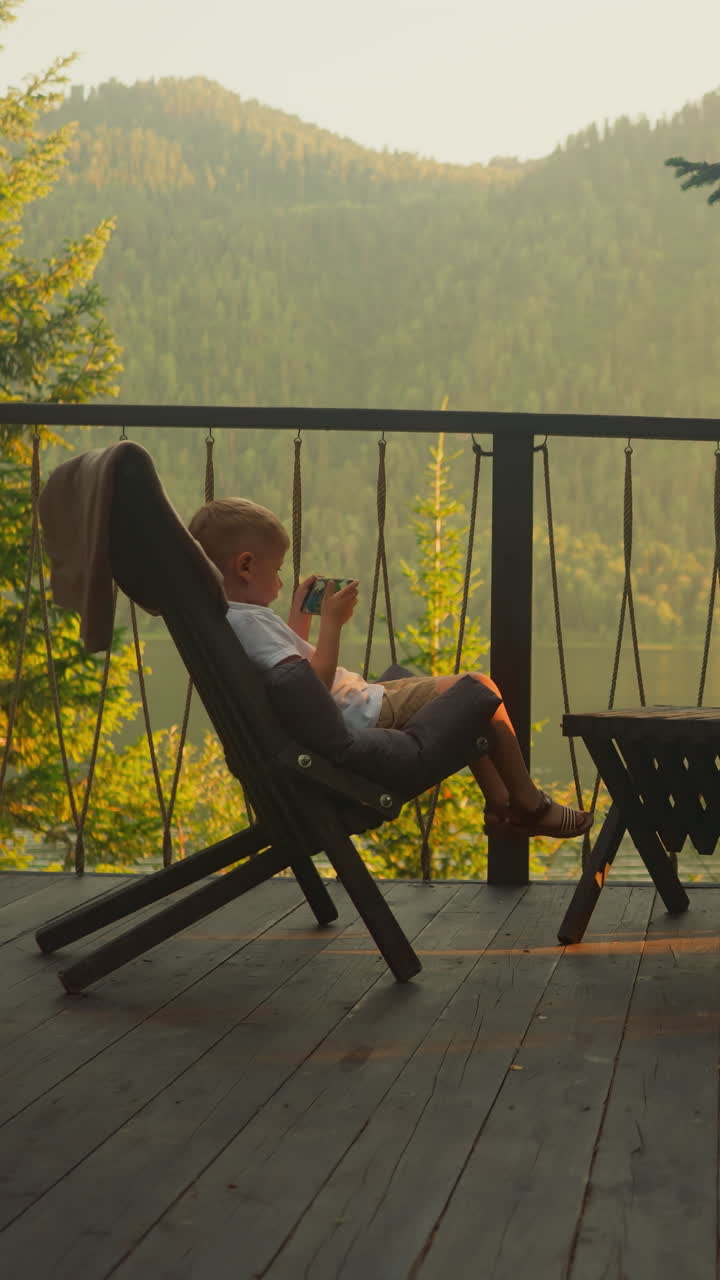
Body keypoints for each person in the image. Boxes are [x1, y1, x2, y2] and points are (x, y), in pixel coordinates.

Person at [188, 496, 593, 840]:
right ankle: (529, 803)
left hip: (352, 708)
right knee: (478, 687)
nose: (279, 580)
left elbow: (290, 679)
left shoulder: (232, 621)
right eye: (276, 569)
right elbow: (310, 690)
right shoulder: (250, 623)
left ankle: (500, 806)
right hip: (360, 715)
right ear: (245, 566)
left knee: (465, 708)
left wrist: (301, 619)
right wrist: (332, 623)